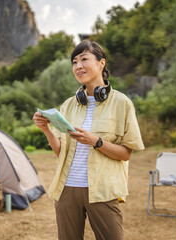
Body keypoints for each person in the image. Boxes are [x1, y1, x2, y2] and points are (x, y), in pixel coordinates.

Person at [33, 40, 144, 240]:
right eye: (74, 62)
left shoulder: (122, 103)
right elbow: (61, 152)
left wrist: (96, 141)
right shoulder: (68, 105)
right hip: (67, 189)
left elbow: (126, 154)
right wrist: (46, 130)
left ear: (102, 63)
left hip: (102, 189)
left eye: (84, 59)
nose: (78, 66)